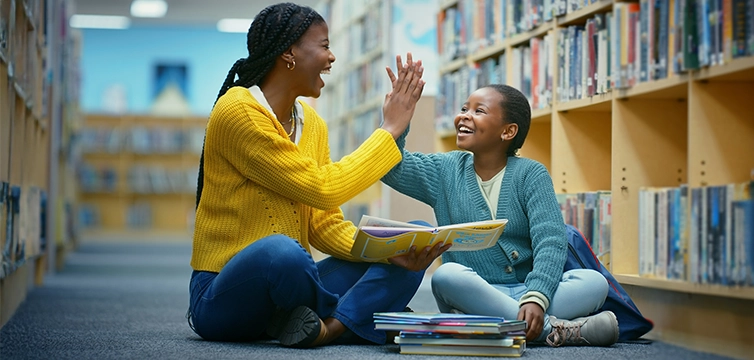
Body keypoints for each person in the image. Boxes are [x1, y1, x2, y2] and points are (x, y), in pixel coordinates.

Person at [187, 3, 448, 349]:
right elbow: (323, 188)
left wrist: (389, 251)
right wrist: (389, 130)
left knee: (413, 237)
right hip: (222, 294)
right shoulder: (238, 111)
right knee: (282, 252)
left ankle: (328, 328)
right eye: (324, 45)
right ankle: (359, 316)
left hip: (291, 294)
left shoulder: (313, 126)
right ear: (289, 53)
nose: (332, 57)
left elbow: (324, 225)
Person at [380, 80, 620, 347]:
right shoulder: (445, 170)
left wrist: (536, 296)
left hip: (529, 290)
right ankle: (556, 330)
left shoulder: (531, 174)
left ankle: (493, 325)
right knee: (446, 277)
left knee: (595, 282)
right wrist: (397, 121)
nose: (463, 116)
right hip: (475, 292)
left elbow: (550, 240)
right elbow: (390, 167)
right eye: (463, 108)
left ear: (508, 132)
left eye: (478, 111)